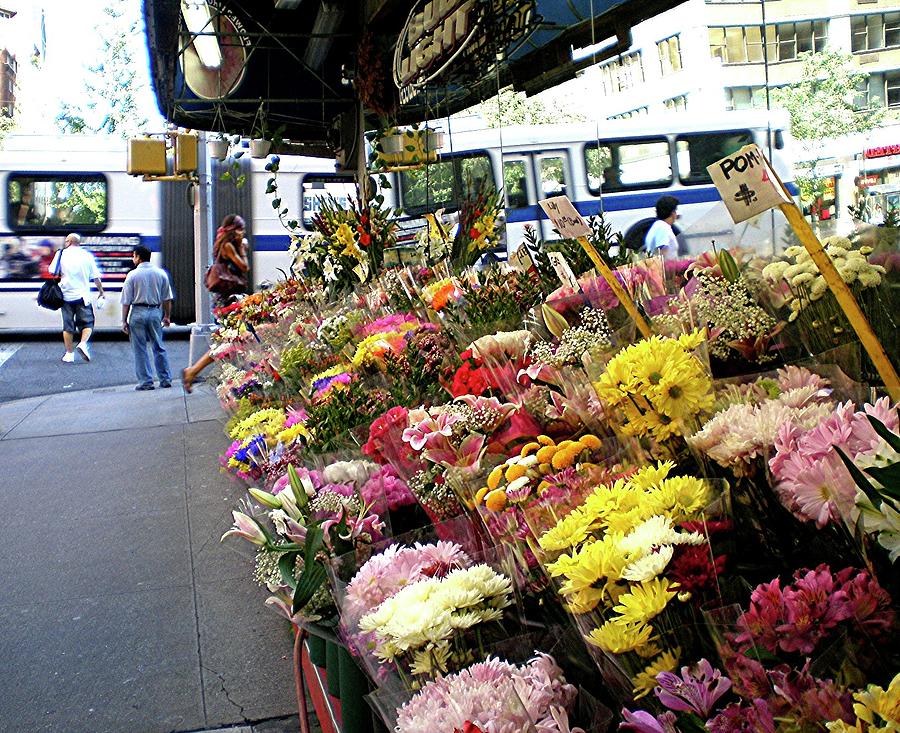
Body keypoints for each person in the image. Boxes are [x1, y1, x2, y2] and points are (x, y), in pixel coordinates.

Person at [182, 214, 250, 393]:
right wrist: (243, 249)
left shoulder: (224, 244)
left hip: (226, 297)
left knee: (234, 339)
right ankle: (194, 371)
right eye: (240, 229)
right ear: (233, 230)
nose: (243, 233)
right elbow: (244, 267)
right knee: (230, 340)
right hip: (227, 299)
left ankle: (232, 377)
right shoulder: (228, 246)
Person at [121, 245, 175, 391]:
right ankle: (165, 379)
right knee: (158, 346)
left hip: (138, 312)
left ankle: (146, 381)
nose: (133, 259)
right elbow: (167, 298)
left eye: (133, 256)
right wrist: (167, 316)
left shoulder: (132, 275)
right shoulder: (161, 274)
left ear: (138, 257)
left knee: (140, 348)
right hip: (155, 312)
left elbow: (126, 301)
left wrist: (124, 320)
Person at [51, 233, 105, 363]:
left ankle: (69, 354)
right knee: (88, 323)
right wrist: (101, 291)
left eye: (66, 241)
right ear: (78, 242)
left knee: (68, 326)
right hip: (82, 296)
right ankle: (83, 343)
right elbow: (95, 276)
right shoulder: (87, 255)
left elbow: (52, 271)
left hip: (65, 295)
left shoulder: (61, 254)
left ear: (69, 242)